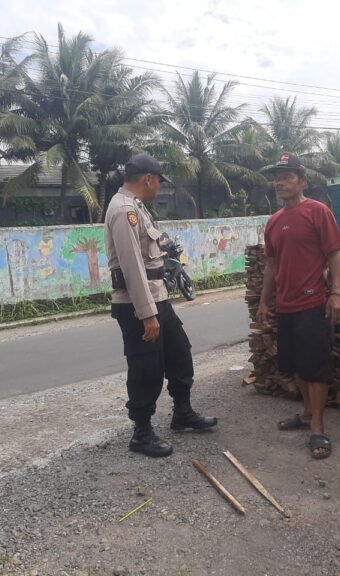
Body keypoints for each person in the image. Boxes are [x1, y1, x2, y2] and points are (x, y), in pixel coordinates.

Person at [105, 153, 217, 457]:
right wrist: (147, 315)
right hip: (136, 305)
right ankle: (141, 433)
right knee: (146, 368)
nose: (158, 189)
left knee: (179, 353)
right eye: (158, 182)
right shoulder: (123, 210)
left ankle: (182, 413)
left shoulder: (138, 208)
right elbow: (132, 268)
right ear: (148, 179)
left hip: (157, 297)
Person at [256, 153, 340, 460]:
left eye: (288, 176)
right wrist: (264, 303)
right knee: (295, 366)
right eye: (278, 177)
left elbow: (334, 256)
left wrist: (336, 294)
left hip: (312, 302)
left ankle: (318, 428)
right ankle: (307, 414)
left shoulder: (317, 212)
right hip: (285, 305)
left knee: (315, 368)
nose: (281, 182)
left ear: (302, 181)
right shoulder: (274, 221)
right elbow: (270, 265)